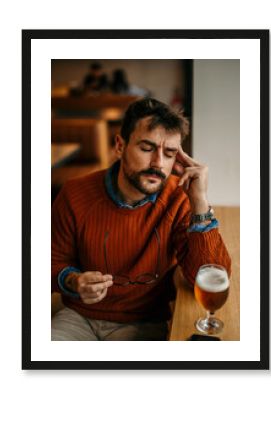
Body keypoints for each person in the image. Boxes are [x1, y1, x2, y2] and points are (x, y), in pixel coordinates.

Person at [51, 98, 231, 341]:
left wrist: (199, 200)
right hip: (78, 317)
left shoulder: (179, 199)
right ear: (119, 145)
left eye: (169, 154)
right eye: (147, 149)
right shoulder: (74, 194)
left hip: (145, 321)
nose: (157, 163)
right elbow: (49, 262)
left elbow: (206, 274)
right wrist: (73, 281)